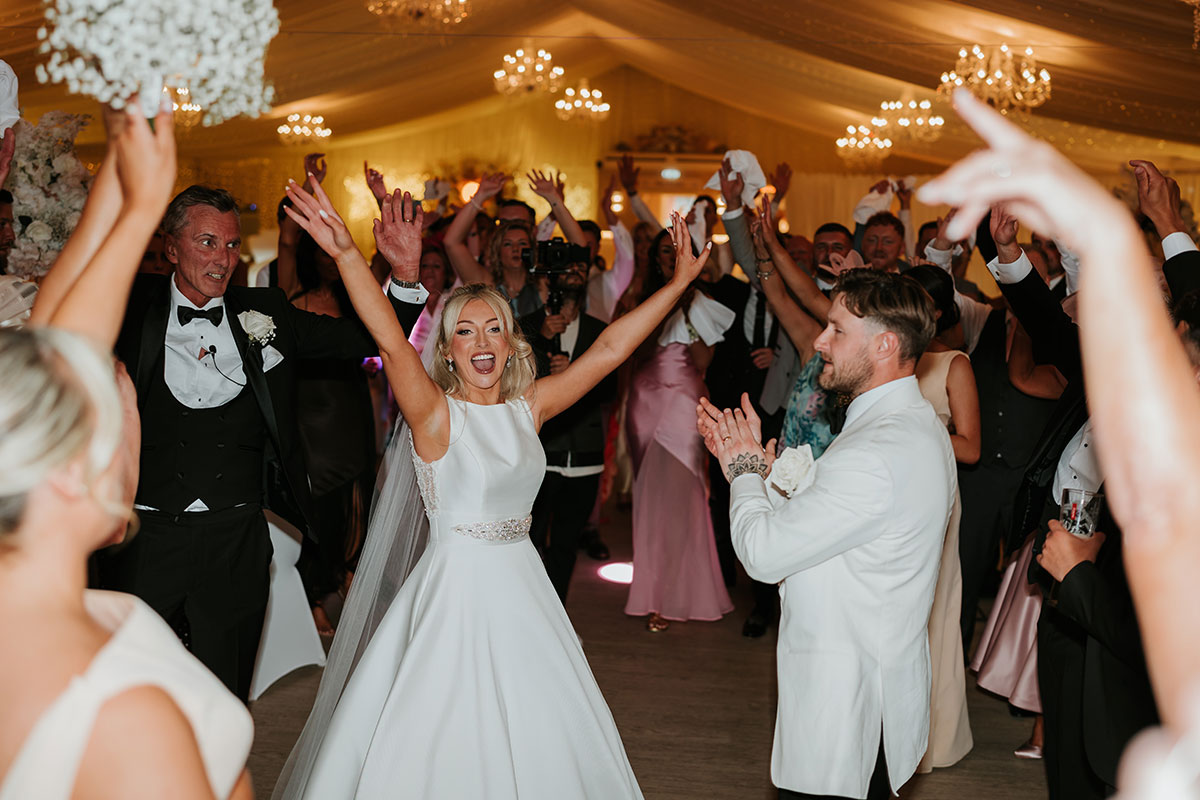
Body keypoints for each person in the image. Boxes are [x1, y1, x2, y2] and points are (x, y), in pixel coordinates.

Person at [275, 172, 714, 796]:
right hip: (453, 594)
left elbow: (610, 350)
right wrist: (348, 254)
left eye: (493, 329)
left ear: (510, 344)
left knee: (537, 726)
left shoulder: (528, 408)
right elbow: (391, 344)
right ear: (448, 350)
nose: (481, 342)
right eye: (465, 331)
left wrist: (676, 284)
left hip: (524, 587)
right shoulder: (434, 415)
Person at [0, 100, 254, 800]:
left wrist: (130, 187)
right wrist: (135, 203)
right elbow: (63, 343)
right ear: (69, 473)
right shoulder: (125, 710)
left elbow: (56, 339)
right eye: (122, 414)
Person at [95, 177, 428, 701]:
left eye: (231, 244)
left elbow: (364, 339)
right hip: (144, 537)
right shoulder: (128, 305)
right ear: (172, 247)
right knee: (125, 692)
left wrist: (405, 274)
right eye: (207, 242)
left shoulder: (265, 311)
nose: (223, 258)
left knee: (225, 696)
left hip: (236, 540)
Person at [699, 268, 955, 800]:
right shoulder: (916, 424)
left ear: (885, 344)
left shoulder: (874, 452)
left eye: (837, 329)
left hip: (846, 707)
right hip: (877, 691)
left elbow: (764, 555)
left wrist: (743, 470)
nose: (819, 341)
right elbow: (841, 531)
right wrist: (769, 481)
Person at [624, 227, 735, 632]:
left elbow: (704, 360)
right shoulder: (641, 299)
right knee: (651, 499)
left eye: (677, 251)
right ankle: (653, 592)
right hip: (645, 400)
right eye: (665, 253)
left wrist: (687, 311)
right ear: (656, 260)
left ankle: (675, 594)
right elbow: (628, 350)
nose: (671, 258)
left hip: (685, 401)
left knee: (683, 497)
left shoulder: (701, 301)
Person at [906, 264, 978, 772]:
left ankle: (935, 736)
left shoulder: (954, 364)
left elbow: (971, 447)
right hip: (888, 489)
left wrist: (914, 429)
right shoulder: (887, 354)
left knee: (934, 607)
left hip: (934, 493)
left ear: (935, 311)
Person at [521, 259, 616, 601]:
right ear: (550, 277)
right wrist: (543, 342)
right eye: (566, 266)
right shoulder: (527, 326)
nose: (574, 272)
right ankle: (523, 613)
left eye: (580, 266)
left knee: (565, 545)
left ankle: (556, 616)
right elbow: (512, 384)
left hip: (585, 455)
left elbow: (611, 391)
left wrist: (576, 374)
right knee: (527, 542)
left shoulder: (599, 331)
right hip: (541, 452)